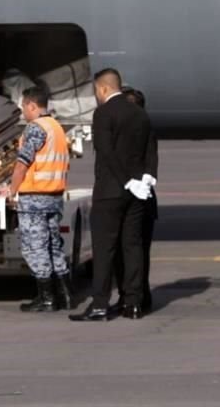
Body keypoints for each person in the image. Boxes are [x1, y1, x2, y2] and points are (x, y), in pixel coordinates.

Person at [70, 68, 154, 322]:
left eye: (96, 90)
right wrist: (147, 178)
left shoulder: (104, 113)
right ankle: (133, 304)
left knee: (104, 249)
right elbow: (151, 149)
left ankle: (99, 304)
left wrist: (127, 181)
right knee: (133, 247)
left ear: (103, 88)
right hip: (138, 193)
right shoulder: (139, 113)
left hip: (111, 190)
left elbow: (106, 152)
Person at [0, 85, 74, 312]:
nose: (24, 111)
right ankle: (65, 296)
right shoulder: (57, 128)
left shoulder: (35, 128)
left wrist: (12, 190)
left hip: (35, 198)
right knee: (54, 245)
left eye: (24, 107)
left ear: (32, 105)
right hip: (54, 195)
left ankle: (47, 298)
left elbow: (22, 164)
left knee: (35, 248)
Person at [114, 86, 159, 312]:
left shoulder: (132, 132)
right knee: (135, 251)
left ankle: (132, 297)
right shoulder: (146, 130)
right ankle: (138, 296)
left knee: (130, 251)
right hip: (142, 199)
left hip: (134, 199)